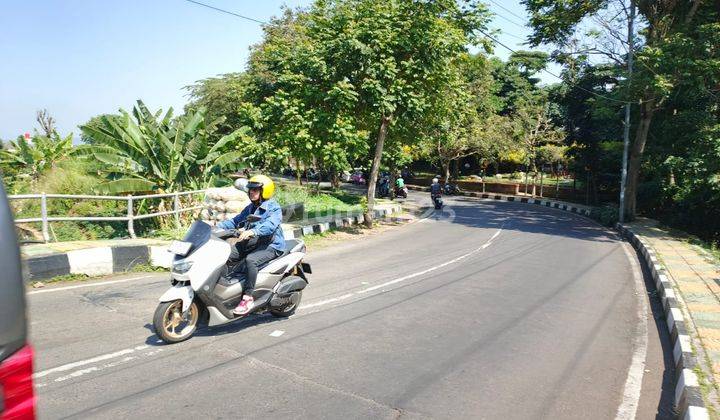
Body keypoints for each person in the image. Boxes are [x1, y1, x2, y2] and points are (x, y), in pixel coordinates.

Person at [217, 175, 286, 315]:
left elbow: (271, 225)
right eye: (250, 190)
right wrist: (215, 226)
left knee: (251, 260)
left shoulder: (273, 207)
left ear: (264, 191)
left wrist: (253, 231)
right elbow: (235, 221)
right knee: (224, 254)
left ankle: (248, 298)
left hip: (271, 246)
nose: (251, 193)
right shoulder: (250, 208)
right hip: (253, 243)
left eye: (255, 190)